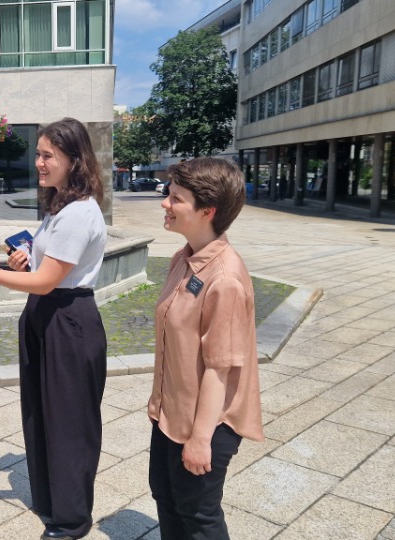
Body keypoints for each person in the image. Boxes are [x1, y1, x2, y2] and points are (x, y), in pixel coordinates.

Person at [0, 117, 107, 540]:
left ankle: (72, 519)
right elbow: (43, 271)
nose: (38, 163)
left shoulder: (78, 212)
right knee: (43, 413)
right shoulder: (59, 206)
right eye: (37, 154)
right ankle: (53, 501)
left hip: (67, 320)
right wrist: (23, 260)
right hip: (47, 315)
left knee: (69, 422)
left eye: (47, 156)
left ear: (75, 160)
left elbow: (47, 281)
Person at [147, 157, 264, 540]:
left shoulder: (224, 277)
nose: (165, 203)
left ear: (207, 211)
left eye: (176, 198)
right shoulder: (184, 259)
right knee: (167, 498)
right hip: (171, 412)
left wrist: (200, 440)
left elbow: (220, 368)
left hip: (207, 422)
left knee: (198, 515)